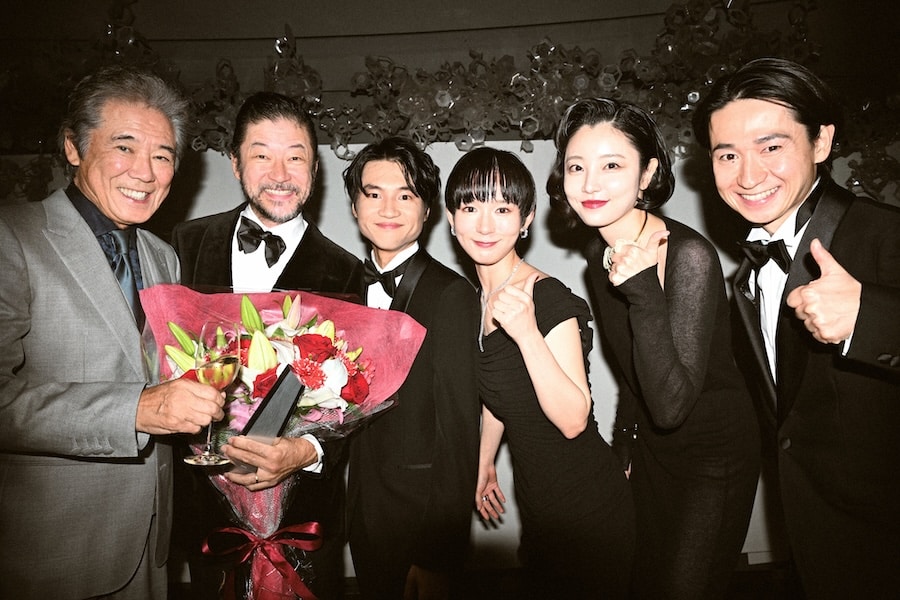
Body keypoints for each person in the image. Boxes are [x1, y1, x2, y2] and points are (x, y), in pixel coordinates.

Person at [0, 66, 225, 599]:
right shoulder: (12, 237)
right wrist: (135, 410)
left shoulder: (163, 257)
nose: (145, 173)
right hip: (51, 550)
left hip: (151, 544)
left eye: (163, 156)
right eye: (124, 147)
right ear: (74, 148)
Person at [692, 57, 900, 598]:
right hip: (815, 545)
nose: (749, 176)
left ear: (823, 142)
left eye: (772, 146)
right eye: (728, 155)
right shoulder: (745, 277)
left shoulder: (885, 235)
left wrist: (869, 319)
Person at [547, 97, 760, 598]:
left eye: (613, 165)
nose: (590, 184)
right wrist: (625, 446)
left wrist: (642, 287)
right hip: (653, 451)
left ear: (647, 175)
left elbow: (671, 404)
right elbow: (632, 372)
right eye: (577, 166)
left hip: (712, 454)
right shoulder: (600, 256)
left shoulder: (688, 257)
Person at [170, 91, 363, 599]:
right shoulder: (185, 245)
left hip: (306, 517)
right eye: (261, 154)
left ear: (314, 169)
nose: (280, 173)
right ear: (234, 163)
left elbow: (359, 395)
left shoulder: (348, 271)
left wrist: (306, 450)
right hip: (204, 513)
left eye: (295, 156)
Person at [444, 146, 635, 599]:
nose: (485, 225)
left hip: (588, 506)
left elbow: (573, 418)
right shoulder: (475, 302)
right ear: (451, 219)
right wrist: (484, 462)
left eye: (503, 208)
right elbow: (500, 393)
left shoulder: (546, 298)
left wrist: (527, 333)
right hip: (541, 503)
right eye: (470, 207)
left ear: (527, 219)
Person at [342, 136, 481, 599]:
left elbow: (460, 432)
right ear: (355, 206)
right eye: (373, 193)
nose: (388, 208)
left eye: (406, 195)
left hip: (419, 518)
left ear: (427, 211)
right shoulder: (341, 290)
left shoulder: (451, 295)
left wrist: (437, 554)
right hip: (361, 509)